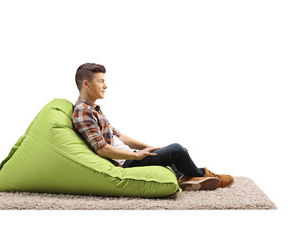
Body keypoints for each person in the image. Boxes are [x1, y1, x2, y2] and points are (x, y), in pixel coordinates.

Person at [72, 63, 234, 191]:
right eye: (101, 81)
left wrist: (149, 148)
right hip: (125, 163)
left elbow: (119, 136)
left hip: (130, 156)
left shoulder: (93, 109)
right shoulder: (83, 111)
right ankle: (204, 175)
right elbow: (101, 149)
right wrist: (136, 157)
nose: (105, 85)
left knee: (169, 157)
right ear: (86, 84)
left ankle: (186, 179)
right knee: (177, 149)